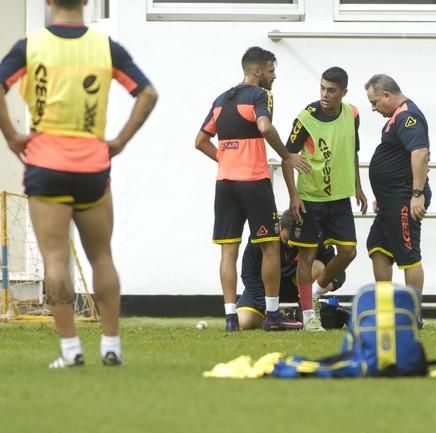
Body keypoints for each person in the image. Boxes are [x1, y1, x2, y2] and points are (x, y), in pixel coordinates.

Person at [0, 0, 158, 367]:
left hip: (45, 162)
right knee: (102, 256)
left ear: (48, 2)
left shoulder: (29, 45)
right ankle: (112, 345)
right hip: (92, 166)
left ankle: (71, 350)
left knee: (55, 258)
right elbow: (148, 93)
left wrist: (12, 136)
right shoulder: (106, 47)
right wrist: (118, 141)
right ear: (87, 1)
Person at [195, 46, 310, 332]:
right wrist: (287, 155)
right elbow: (265, 127)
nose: (274, 76)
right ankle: (272, 315)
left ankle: (230, 318)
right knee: (270, 246)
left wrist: (226, 158)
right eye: (271, 70)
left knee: (228, 252)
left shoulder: (221, 100)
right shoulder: (261, 95)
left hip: (225, 185)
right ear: (257, 71)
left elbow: (200, 141)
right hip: (254, 183)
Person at [281, 67, 366, 331]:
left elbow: (352, 151)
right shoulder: (306, 118)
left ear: (344, 93)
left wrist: (358, 186)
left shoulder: (352, 114)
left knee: (349, 252)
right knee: (306, 257)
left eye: (331, 90)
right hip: (310, 199)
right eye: (322, 88)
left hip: (340, 198)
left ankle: (316, 293)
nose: (325, 95)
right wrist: (293, 195)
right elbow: (287, 157)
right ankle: (308, 316)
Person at [364, 74, 430, 323]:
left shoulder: (407, 117)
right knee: (377, 246)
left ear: (387, 96)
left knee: (408, 253)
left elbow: (420, 153)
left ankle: (413, 315)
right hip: (390, 199)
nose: (373, 108)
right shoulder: (396, 116)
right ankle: (386, 309)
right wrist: (381, 194)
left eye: (375, 102)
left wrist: (416, 194)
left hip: (405, 198)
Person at [236, 210, 345, 330]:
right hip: (264, 291)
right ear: (280, 227)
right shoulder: (263, 236)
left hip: (298, 289)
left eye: (295, 241)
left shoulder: (314, 238)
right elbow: (248, 275)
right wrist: (266, 305)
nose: (291, 245)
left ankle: (304, 312)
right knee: (242, 322)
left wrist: (320, 287)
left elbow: (338, 272)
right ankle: (280, 318)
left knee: (318, 267)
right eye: (286, 239)